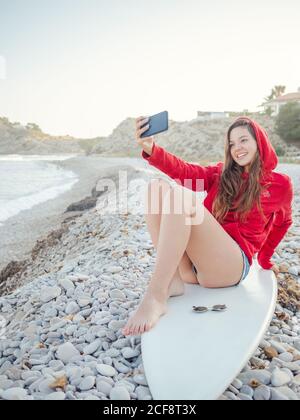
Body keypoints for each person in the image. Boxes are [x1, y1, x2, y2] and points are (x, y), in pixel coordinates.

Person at [122, 116, 294, 336]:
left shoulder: (280, 184)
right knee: (156, 188)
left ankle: (156, 295)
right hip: (193, 268)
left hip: (229, 267)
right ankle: (172, 281)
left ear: (259, 142)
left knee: (180, 198)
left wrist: (265, 259)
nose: (237, 148)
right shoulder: (222, 174)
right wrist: (151, 148)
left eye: (243, 141)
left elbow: (282, 223)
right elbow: (184, 172)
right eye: (232, 143)